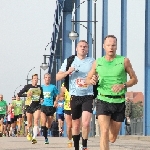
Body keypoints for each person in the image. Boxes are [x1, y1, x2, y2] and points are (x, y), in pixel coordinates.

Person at [86, 35, 138, 150]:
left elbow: (134, 79)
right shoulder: (98, 62)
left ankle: (112, 131)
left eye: (113, 45)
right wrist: (92, 80)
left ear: (116, 46)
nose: (111, 47)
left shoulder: (124, 61)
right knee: (103, 131)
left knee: (112, 137)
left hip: (119, 101)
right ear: (104, 46)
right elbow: (87, 79)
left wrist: (123, 85)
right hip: (102, 100)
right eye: (108, 45)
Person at [56, 40, 95, 150]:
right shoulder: (70, 61)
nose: (83, 48)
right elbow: (58, 77)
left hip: (88, 95)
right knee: (76, 125)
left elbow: (99, 75)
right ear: (76, 49)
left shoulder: (92, 61)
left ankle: (85, 146)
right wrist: (67, 72)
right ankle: (77, 147)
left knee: (86, 123)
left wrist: (95, 78)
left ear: (88, 49)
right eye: (81, 46)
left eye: (85, 47)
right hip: (74, 96)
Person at [18, 74, 43, 144]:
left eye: (37, 78)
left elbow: (42, 96)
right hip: (29, 106)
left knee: (36, 120)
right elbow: (19, 94)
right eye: (34, 78)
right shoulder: (27, 87)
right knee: (29, 124)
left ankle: (34, 138)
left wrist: (42, 99)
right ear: (32, 79)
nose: (36, 79)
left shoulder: (40, 87)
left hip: (37, 106)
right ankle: (29, 133)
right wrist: (26, 95)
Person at [41, 73, 59, 144]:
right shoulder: (41, 87)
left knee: (48, 125)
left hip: (51, 107)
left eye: (48, 77)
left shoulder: (53, 87)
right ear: (44, 78)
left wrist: (56, 101)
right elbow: (38, 95)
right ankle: (45, 138)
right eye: (46, 77)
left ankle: (46, 131)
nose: (47, 79)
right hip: (43, 106)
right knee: (43, 122)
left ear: (50, 79)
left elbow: (57, 95)